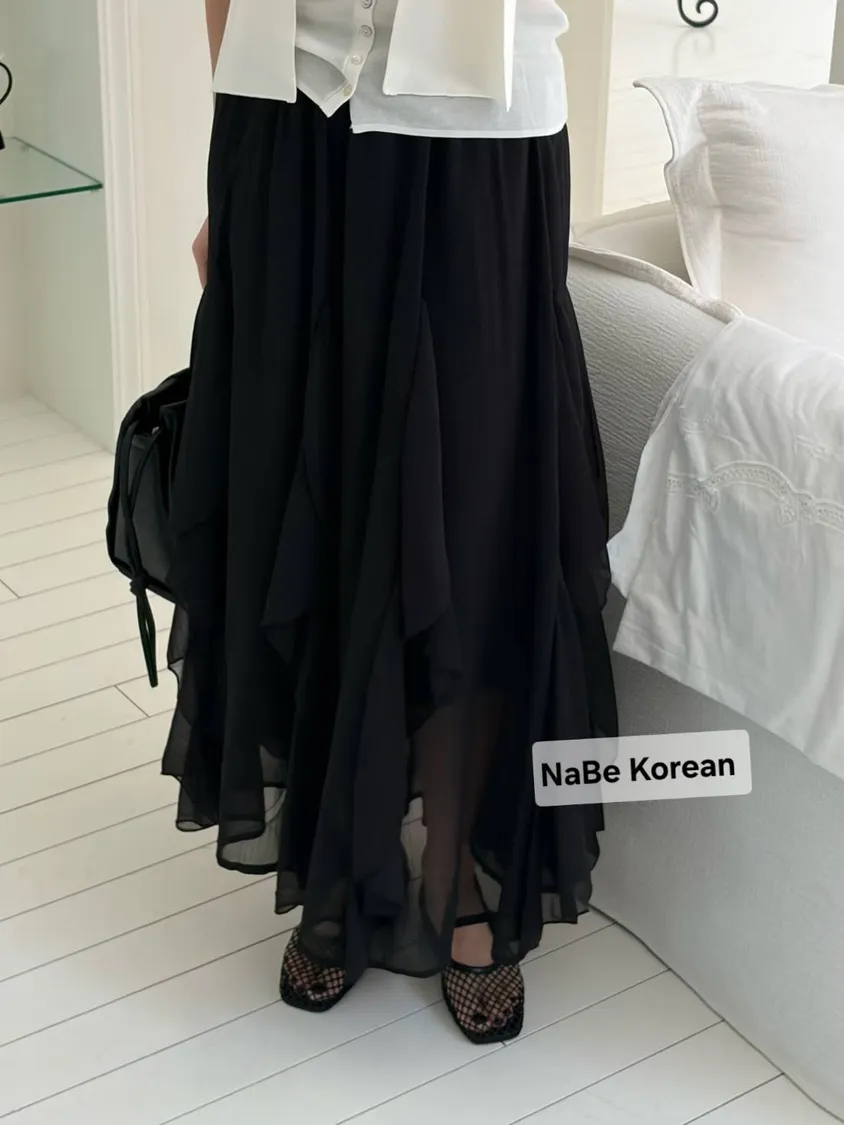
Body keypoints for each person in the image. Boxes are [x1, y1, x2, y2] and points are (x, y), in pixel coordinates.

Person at [164, 0, 617, 1045]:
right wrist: (228, 156)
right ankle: (338, 856)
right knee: (303, 492)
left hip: (478, 136)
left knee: (473, 516)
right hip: (287, 120)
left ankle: (461, 872)